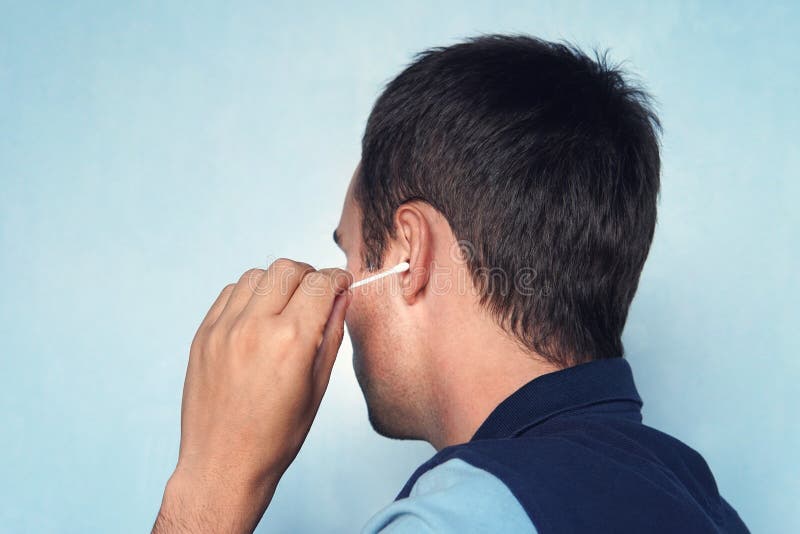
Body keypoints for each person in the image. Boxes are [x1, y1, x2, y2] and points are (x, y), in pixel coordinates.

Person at [152, 34, 749, 533]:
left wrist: (210, 484)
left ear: (410, 253)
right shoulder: (709, 505)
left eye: (354, 256)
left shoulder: (449, 522)